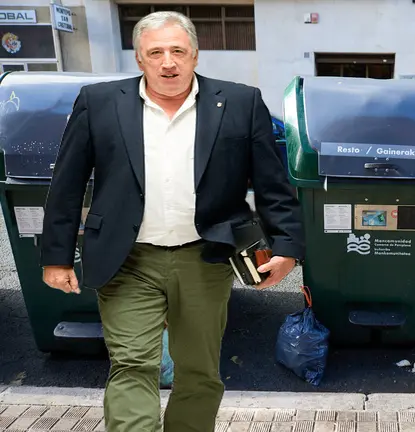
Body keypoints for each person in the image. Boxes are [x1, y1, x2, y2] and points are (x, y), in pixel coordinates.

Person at [39, 11, 304, 432]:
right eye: (156, 53)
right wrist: (56, 256)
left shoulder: (241, 102)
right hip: (126, 260)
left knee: (199, 371)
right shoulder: (99, 101)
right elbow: (67, 184)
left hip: (205, 259)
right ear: (139, 59)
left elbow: (273, 183)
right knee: (132, 365)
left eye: (178, 51)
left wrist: (287, 246)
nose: (168, 63)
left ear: (195, 55)